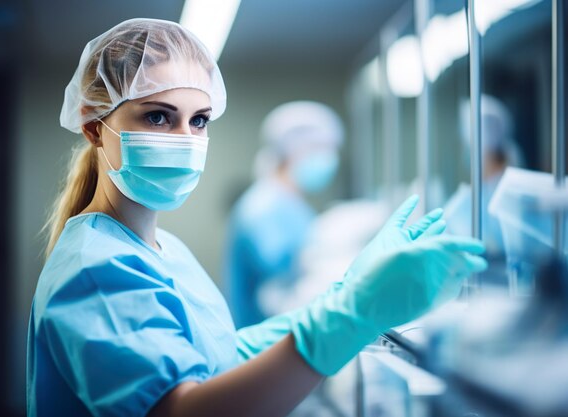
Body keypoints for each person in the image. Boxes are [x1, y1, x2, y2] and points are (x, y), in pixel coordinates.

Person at [27, 18, 488, 417]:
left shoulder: (162, 250)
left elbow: (224, 357)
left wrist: (345, 292)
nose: (186, 138)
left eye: (200, 120)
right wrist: (351, 317)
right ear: (93, 126)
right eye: (159, 118)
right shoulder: (95, 269)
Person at [224, 101, 344, 328]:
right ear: (295, 150)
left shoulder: (289, 203)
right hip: (263, 341)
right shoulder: (263, 209)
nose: (330, 159)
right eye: (323, 149)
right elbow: (278, 283)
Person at [445, 94, 524, 256]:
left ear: (482, 150)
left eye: (469, 145)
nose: (466, 153)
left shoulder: (502, 194)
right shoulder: (476, 196)